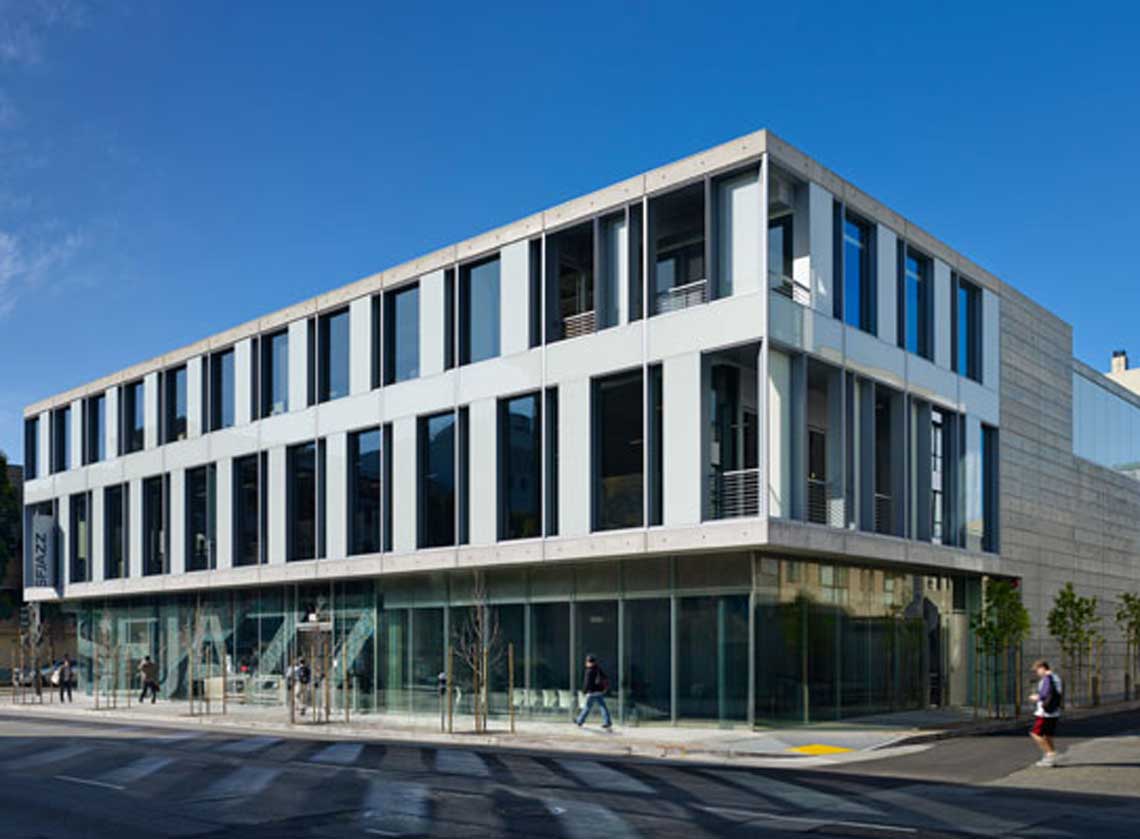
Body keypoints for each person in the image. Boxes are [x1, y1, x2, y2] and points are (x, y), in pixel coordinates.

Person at [1028, 659, 1063, 767]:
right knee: (1047, 735)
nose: (1037, 673)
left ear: (1043, 668)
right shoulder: (1057, 678)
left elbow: (1044, 694)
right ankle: (1052, 758)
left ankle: (1050, 754)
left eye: (1037, 670)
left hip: (1045, 712)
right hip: (1054, 711)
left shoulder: (1047, 679)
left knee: (1035, 733)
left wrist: (1035, 697)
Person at [575, 654, 612, 730]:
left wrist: (584, 691)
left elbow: (587, 683)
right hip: (599, 691)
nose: (586, 663)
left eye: (587, 661)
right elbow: (605, 677)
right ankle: (607, 722)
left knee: (587, 707)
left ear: (589, 662)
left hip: (592, 692)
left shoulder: (589, 671)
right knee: (603, 707)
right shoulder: (598, 669)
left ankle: (580, 721)